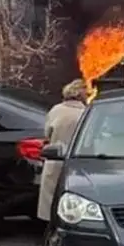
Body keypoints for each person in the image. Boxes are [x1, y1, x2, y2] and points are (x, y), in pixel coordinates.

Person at [37, 79, 89, 221]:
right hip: (77, 163)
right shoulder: (86, 113)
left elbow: (47, 133)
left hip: (54, 162)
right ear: (81, 94)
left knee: (51, 205)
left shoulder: (55, 110)